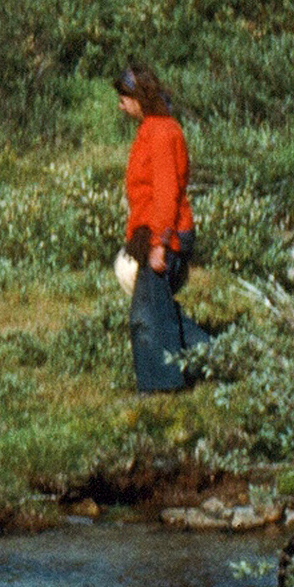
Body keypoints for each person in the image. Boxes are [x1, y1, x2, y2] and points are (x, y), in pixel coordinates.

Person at [115, 65, 198, 393]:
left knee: (146, 317)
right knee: (161, 312)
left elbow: (166, 191)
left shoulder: (162, 132)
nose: (120, 105)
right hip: (150, 233)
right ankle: (222, 357)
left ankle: (160, 392)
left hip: (164, 234)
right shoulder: (151, 128)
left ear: (138, 97)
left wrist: (160, 243)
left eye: (123, 98)